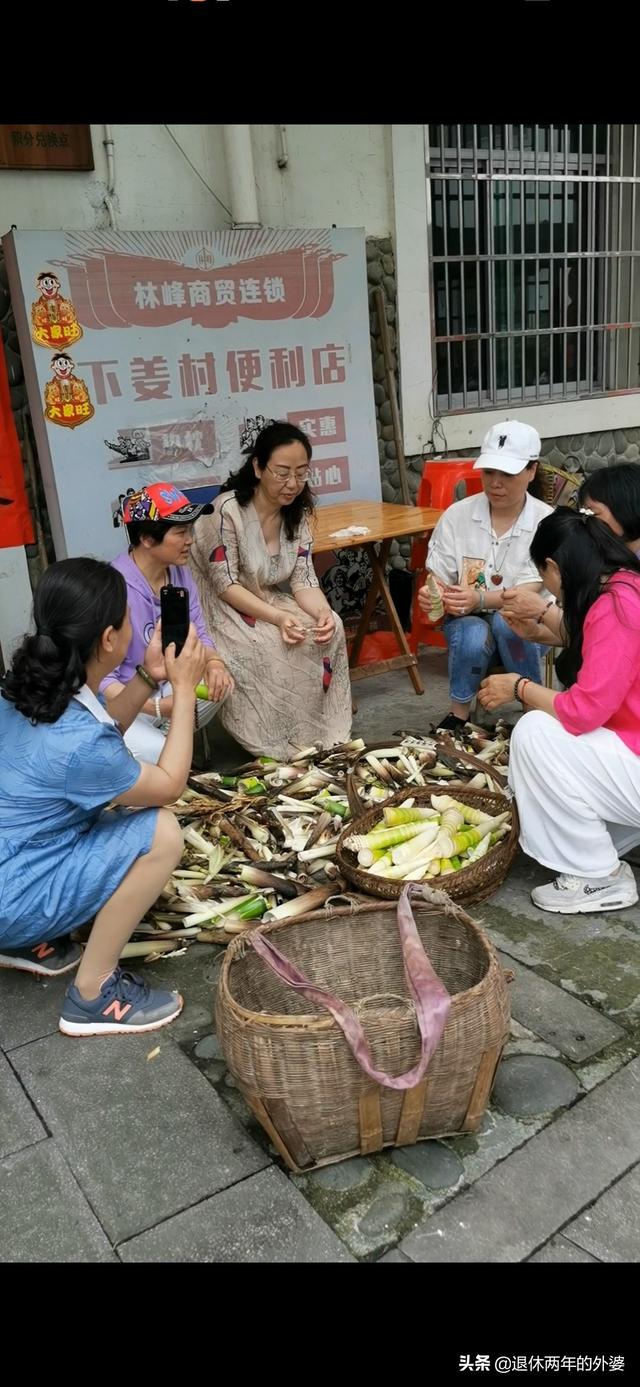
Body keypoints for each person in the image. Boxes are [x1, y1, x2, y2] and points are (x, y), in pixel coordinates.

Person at [0, 557, 208, 1034]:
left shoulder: (27, 687)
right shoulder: (78, 741)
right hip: (11, 900)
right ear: (110, 639)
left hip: (9, 874)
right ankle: (93, 994)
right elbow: (170, 785)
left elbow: (95, 747)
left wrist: (147, 678)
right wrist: (184, 688)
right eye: (127, 616)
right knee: (161, 832)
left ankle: (22, 940)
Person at [478, 507, 640, 913]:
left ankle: (598, 876)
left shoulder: (616, 607)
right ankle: (604, 837)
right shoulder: (625, 585)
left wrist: (518, 687)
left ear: (552, 567)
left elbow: (584, 710)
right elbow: (605, 650)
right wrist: (540, 631)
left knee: (535, 731)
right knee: (551, 729)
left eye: (545, 578)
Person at [189, 420, 352, 760]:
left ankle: (316, 736)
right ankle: (273, 744)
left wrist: (321, 613)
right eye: (282, 472)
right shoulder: (225, 512)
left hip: (261, 599)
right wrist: (279, 618)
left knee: (329, 627)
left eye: (301, 473)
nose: (292, 484)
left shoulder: (298, 515)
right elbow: (225, 585)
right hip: (216, 606)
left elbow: (304, 580)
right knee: (265, 645)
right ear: (258, 467)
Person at [417, 421, 553, 732]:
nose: (495, 483)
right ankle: (458, 714)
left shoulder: (547, 521)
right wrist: (433, 594)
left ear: (532, 471)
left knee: (507, 622)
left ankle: (532, 710)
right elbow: (438, 575)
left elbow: (528, 591)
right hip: (467, 617)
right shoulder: (458, 515)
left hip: (531, 620)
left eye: (507, 474)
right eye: (489, 472)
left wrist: (478, 598)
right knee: (473, 633)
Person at [102, 482, 234, 763]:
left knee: (221, 683)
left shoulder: (179, 573)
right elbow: (103, 680)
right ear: (148, 538)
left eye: (190, 530)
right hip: (124, 703)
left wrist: (214, 664)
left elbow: (199, 632)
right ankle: (161, 753)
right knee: (161, 754)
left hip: (166, 689)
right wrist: (160, 708)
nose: (191, 540)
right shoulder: (114, 588)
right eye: (180, 532)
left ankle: (166, 750)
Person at [500, 462, 640, 687]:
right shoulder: (611, 559)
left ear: (628, 509)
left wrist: (519, 690)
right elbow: (599, 637)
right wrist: (538, 632)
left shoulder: (624, 581)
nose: (586, 524)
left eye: (592, 514)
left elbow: (588, 704)